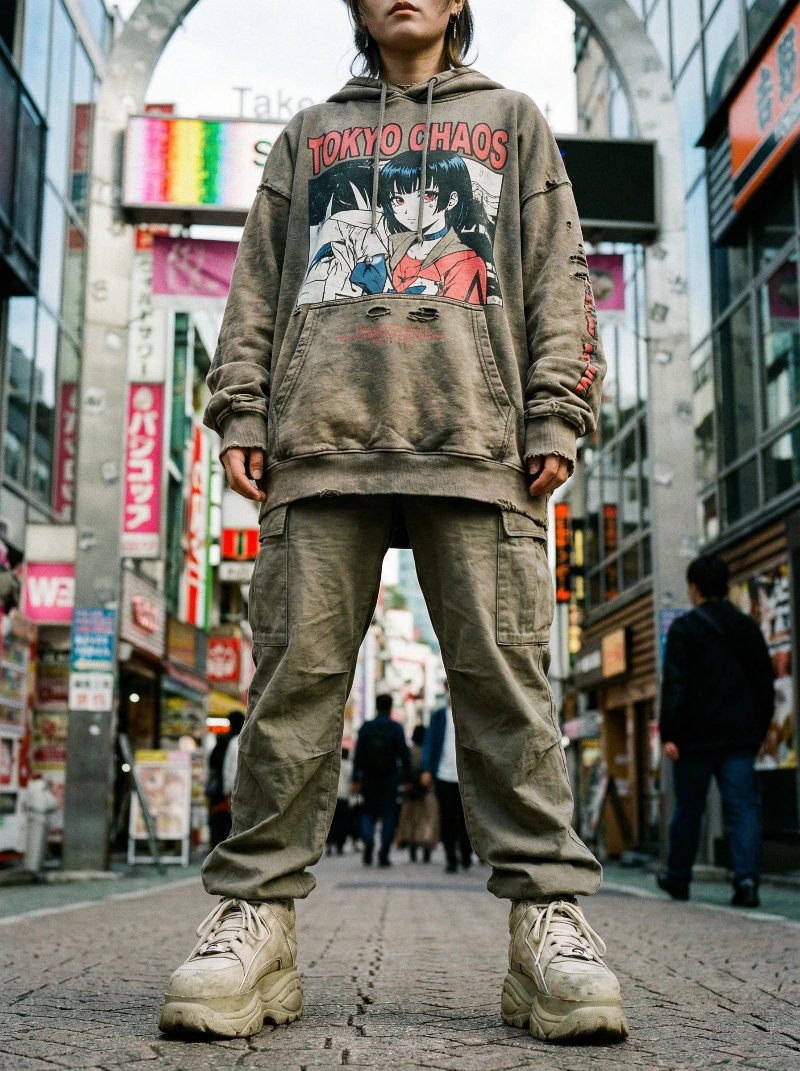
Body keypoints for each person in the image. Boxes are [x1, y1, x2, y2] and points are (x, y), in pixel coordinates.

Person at [160, 0, 626, 1045]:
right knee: (292, 685)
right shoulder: (312, 133)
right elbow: (258, 282)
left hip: (477, 436)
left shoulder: (511, 119)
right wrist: (243, 404)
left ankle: (546, 925)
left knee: (504, 682)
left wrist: (556, 404)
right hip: (320, 439)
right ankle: (257, 921)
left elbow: (559, 271)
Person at [658, 554, 774, 908]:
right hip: (740, 735)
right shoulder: (747, 628)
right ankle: (747, 881)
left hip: (694, 738)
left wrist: (670, 733)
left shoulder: (684, 629)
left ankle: (678, 878)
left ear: (694, 588)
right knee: (741, 808)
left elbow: (675, 683)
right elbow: (763, 683)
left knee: (689, 808)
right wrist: (763, 728)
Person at [352, 694, 413, 866]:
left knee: (367, 812)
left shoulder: (366, 728)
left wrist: (356, 778)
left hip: (369, 778)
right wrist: (408, 778)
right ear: (391, 707)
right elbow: (404, 755)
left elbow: (358, 755)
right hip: (390, 779)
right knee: (389, 816)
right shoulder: (396, 728)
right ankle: (384, 854)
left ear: (377, 706)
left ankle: (368, 838)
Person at [420, 699, 472, 872]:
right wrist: (427, 768)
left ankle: (466, 852)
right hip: (444, 774)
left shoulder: (470, 711)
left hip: (467, 776)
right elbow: (430, 741)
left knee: (467, 818)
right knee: (448, 818)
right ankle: (451, 858)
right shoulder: (439, 716)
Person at [396, 723, 440, 861]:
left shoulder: (410, 751)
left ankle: (412, 848)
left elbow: (404, 768)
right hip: (427, 790)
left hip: (411, 790)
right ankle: (427, 848)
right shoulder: (428, 752)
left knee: (411, 820)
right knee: (427, 819)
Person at [205, 712, 244, 850]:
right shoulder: (238, 741)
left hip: (218, 791)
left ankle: (216, 850)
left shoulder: (222, 740)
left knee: (218, 824)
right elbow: (231, 769)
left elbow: (214, 764)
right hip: (232, 791)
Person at [326, 747, 354, 855]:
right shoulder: (349, 766)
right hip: (344, 797)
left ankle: (329, 843)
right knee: (342, 823)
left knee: (331, 823)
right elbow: (352, 781)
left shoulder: (333, 764)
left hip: (332, 796)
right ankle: (340, 844)